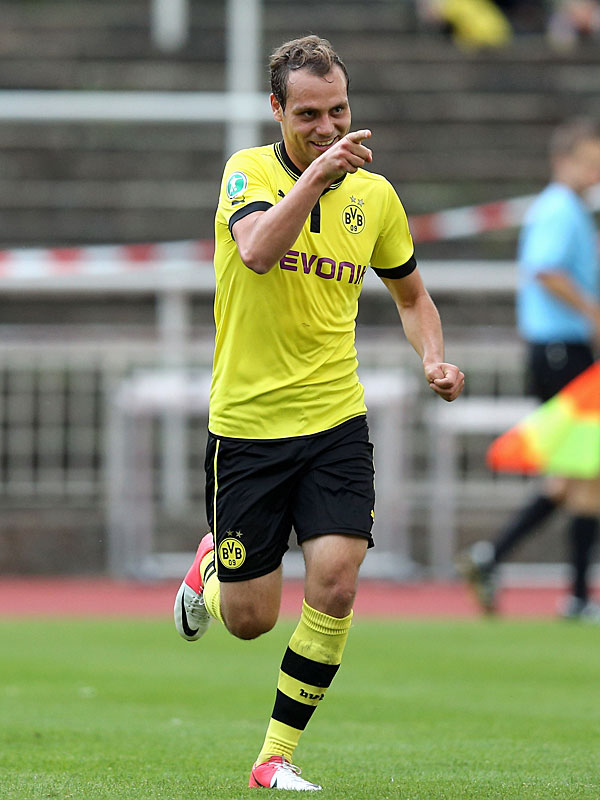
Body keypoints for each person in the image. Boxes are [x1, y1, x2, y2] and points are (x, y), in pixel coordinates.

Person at [173, 35, 464, 792]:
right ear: (277, 109)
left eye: (338, 111)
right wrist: (317, 177)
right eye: (309, 114)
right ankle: (211, 565)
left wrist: (432, 357)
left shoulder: (377, 197)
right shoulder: (247, 172)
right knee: (250, 620)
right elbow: (258, 250)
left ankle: (273, 757)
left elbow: (412, 297)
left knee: (335, 582)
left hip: (335, 420)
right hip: (248, 427)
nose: (328, 127)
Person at [462, 117, 600, 621]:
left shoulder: (566, 209)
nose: (594, 171)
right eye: (588, 161)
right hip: (563, 351)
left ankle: (491, 556)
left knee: (569, 475)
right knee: (588, 469)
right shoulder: (561, 209)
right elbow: (545, 269)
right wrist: (592, 312)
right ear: (563, 160)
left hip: (556, 352)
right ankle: (579, 596)